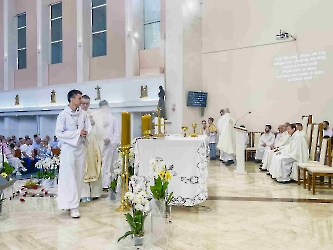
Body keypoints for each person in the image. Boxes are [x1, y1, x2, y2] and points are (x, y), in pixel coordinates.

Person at [55, 89, 91, 218]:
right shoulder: (63, 115)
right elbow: (59, 133)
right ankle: (72, 206)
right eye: (79, 98)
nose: (81, 101)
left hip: (80, 147)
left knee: (78, 176)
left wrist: (86, 132)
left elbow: (87, 127)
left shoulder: (83, 114)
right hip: (68, 149)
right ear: (72, 99)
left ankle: (74, 203)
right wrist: (77, 133)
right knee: (69, 177)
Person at [80, 95, 103, 201]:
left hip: (93, 144)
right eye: (83, 103)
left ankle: (95, 193)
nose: (85, 105)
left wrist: (94, 123)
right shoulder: (76, 114)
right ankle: (83, 194)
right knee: (83, 168)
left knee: (94, 166)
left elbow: (100, 130)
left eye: (87, 103)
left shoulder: (93, 114)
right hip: (81, 145)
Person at [95, 100, 120, 189]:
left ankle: (107, 184)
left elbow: (116, 133)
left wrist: (110, 139)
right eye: (102, 107)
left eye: (105, 107)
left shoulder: (113, 119)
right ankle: (99, 184)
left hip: (109, 146)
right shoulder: (97, 118)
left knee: (108, 165)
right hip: (99, 145)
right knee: (98, 164)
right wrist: (101, 139)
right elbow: (94, 132)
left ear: (108, 107)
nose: (104, 109)